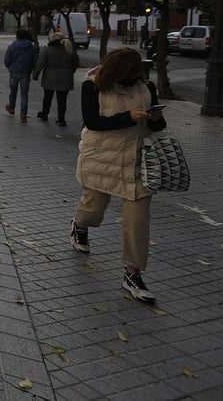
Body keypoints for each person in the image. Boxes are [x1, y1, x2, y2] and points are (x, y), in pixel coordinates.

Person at [70, 47, 166, 304]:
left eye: (136, 74)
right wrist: (128, 117)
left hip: (136, 161)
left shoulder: (146, 88)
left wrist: (155, 118)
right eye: (128, 74)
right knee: (93, 208)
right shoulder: (93, 86)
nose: (133, 78)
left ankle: (133, 273)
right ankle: (79, 226)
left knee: (137, 219)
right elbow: (92, 122)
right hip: (102, 158)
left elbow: (159, 126)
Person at [33, 32, 78, 125]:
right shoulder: (69, 49)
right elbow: (75, 63)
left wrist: (35, 75)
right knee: (62, 100)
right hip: (65, 78)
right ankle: (61, 119)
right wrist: (70, 72)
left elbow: (40, 63)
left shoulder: (48, 50)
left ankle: (44, 114)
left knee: (47, 98)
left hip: (50, 77)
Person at [3, 29, 38, 122]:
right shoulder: (32, 48)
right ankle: (23, 115)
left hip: (14, 72)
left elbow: (7, 60)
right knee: (24, 94)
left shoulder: (12, 46)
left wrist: (10, 67)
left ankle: (11, 107)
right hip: (26, 73)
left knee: (13, 91)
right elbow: (35, 62)